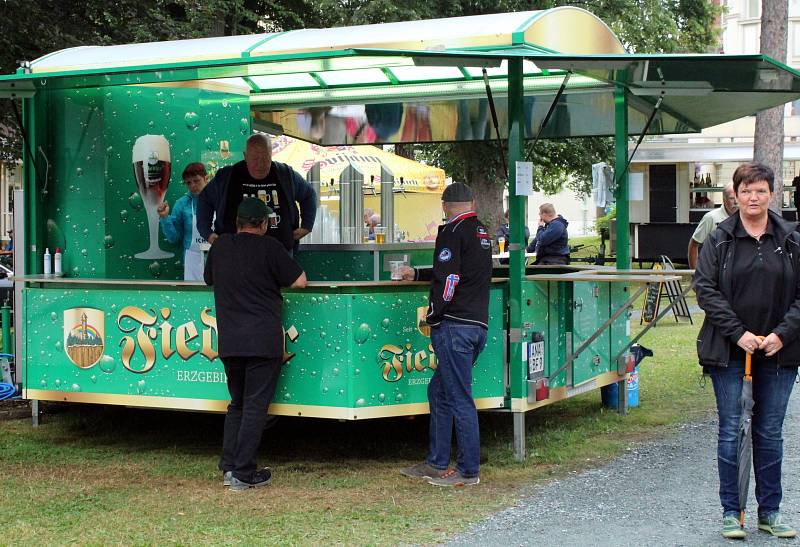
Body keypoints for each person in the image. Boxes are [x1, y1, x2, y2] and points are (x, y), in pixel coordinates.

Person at [695, 162, 800, 539]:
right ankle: (731, 512)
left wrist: (782, 335)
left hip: (778, 353)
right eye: (745, 191)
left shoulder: (791, 239)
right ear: (734, 196)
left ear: (773, 194)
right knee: (732, 431)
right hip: (729, 350)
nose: (753, 197)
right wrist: (738, 333)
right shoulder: (719, 239)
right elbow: (705, 289)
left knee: (769, 432)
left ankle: (769, 512)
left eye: (760, 191)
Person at [204, 197, 308, 491]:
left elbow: (208, 278)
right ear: (263, 224)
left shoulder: (220, 246)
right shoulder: (270, 247)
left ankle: (229, 466)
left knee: (237, 404)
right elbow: (300, 281)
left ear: (237, 223)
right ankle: (243, 473)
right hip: (263, 340)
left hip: (230, 340)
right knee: (254, 408)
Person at [397, 182, 492, 487]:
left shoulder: (450, 232)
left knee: (459, 397)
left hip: (454, 326)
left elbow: (450, 278)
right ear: (472, 202)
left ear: (446, 205)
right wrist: (421, 273)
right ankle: (436, 463)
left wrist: (435, 314)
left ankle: (467, 471)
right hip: (477, 326)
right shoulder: (481, 232)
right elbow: (461, 271)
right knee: (439, 392)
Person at [196, 133, 317, 255]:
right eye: (255, 159)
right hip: (235, 256)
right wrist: (208, 233)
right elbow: (205, 199)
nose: (260, 164)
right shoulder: (227, 177)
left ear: (271, 154)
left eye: (265, 158)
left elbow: (309, 194)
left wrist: (307, 225)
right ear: (245, 156)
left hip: (279, 256)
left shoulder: (285, 174)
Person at [157, 162, 209, 280]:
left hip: (218, 257)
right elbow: (173, 238)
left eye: (196, 181)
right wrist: (165, 218)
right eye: (188, 183)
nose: (193, 186)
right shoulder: (181, 204)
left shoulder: (220, 200)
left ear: (206, 178)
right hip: (192, 259)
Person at [687, 184, 737, 269]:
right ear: (724, 200)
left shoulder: (745, 218)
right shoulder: (711, 218)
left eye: (738, 197)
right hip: (714, 272)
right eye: (732, 198)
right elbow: (694, 244)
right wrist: (695, 272)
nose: (736, 202)